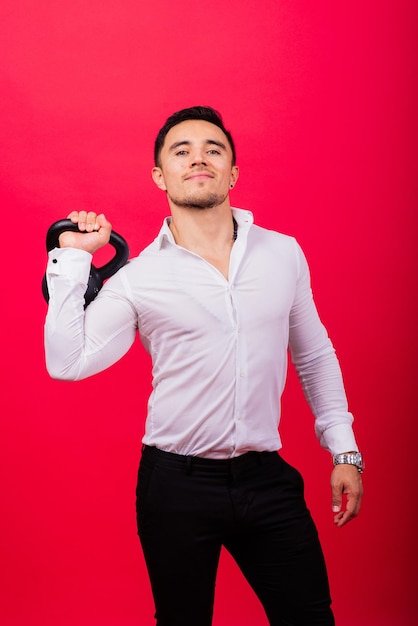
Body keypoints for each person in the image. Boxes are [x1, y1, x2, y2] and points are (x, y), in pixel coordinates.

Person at [44, 105, 364, 626]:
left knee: (310, 617)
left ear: (232, 172)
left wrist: (345, 449)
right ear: (159, 175)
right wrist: (75, 256)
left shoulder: (283, 253)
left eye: (213, 150)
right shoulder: (138, 277)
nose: (199, 159)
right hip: (176, 485)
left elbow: (313, 354)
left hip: (267, 479)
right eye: (181, 151)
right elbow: (67, 362)